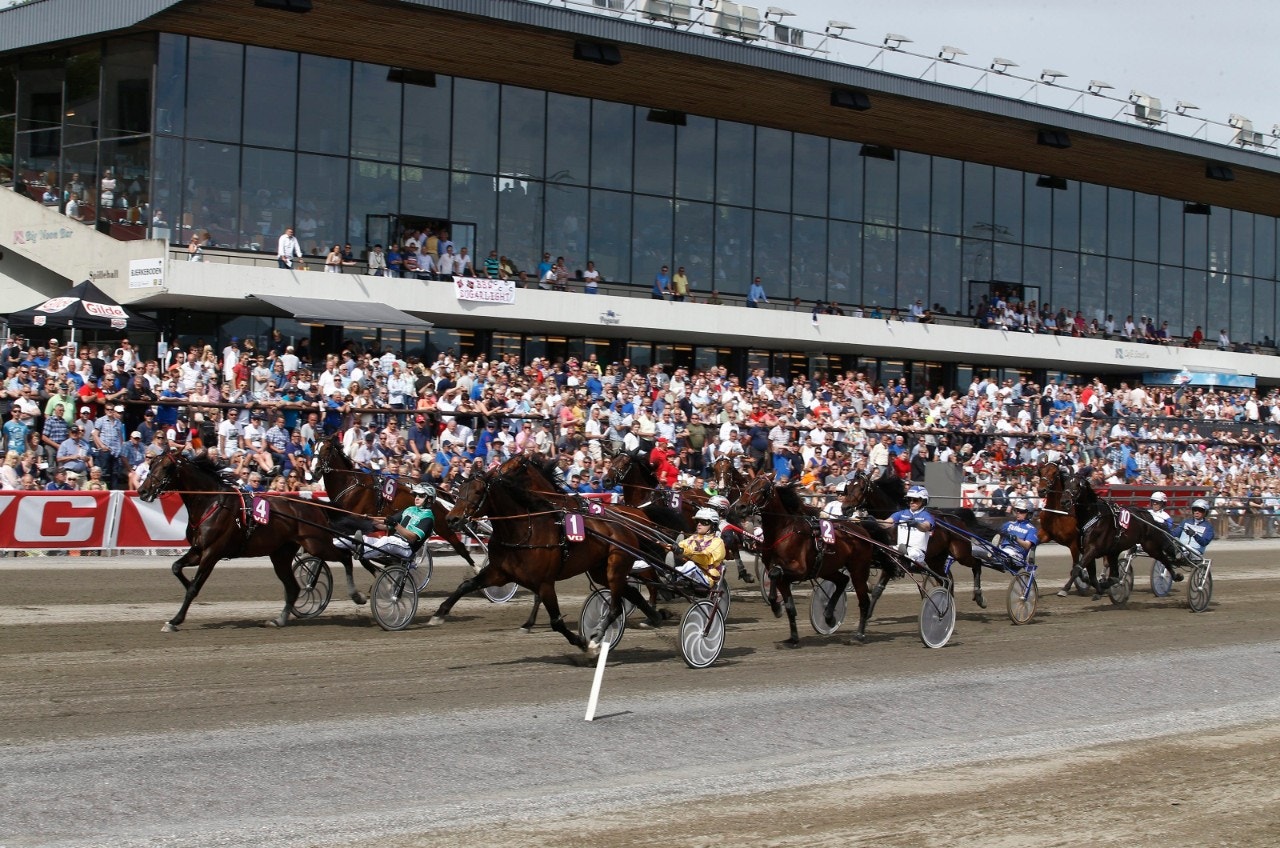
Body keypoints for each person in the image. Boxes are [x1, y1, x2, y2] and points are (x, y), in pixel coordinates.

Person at [338, 482, 436, 563]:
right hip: (394, 542)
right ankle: (332, 544)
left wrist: (396, 525)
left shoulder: (428, 518)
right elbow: (387, 525)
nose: (417, 498)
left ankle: (362, 553)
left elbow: (412, 537)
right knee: (363, 539)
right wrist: (372, 520)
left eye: (421, 496)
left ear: (429, 499)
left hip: (407, 548)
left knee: (386, 541)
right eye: (416, 495)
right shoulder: (410, 509)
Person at [672, 507, 727, 588]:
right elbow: (682, 545)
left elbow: (705, 557)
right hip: (691, 574)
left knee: (691, 565)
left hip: (707, 577)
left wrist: (683, 551)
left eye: (704, 522)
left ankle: (674, 578)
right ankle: (672, 574)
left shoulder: (718, 542)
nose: (699, 524)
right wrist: (672, 547)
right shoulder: (693, 538)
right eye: (697, 521)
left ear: (713, 525)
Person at [883, 485, 934, 566]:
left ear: (923, 501)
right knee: (883, 550)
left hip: (917, 552)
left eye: (915, 500)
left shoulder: (926, 515)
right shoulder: (901, 513)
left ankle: (904, 558)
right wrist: (872, 521)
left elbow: (926, 527)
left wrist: (917, 524)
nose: (911, 502)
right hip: (899, 548)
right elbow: (885, 523)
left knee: (909, 555)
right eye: (909, 499)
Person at [994, 499, 1039, 565]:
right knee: (976, 550)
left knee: (1004, 553)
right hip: (1003, 550)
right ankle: (994, 551)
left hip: (1016, 555)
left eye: (1021, 511)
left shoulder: (1031, 529)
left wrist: (1016, 539)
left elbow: (1027, 546)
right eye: (1017, 510)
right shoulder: (1009, 524)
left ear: (1029, 514)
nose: (1018, 512)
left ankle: (995, 554)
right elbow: (997, 533)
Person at [1173, 499, 1215, 568]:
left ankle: (1184, 552)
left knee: (1186, 548)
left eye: (1200, 510)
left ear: (1205, 512)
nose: (1197, 512)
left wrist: (1195, 535)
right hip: (1181, 549)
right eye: (1195, 510)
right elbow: (1175, 533)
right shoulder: (1186, 522)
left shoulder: (1208, 527)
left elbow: (1204, 542)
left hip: (1195, 554)